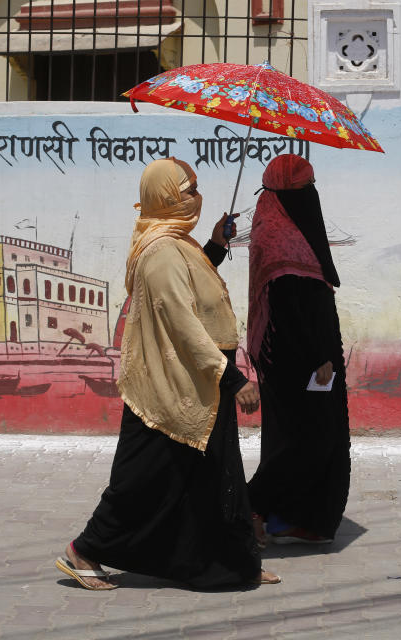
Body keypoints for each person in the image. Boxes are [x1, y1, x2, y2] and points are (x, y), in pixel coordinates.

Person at [55, 158, 279, 590]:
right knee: (143, 481)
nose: (198, 197)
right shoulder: (160, 250)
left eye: (196, 188)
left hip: (195, 382)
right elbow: (181, 320)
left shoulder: (179, 243)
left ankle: (236, 562)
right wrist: (231, 379)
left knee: (215, 476)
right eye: (189, 190)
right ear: (169, 198)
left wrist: (215, 245)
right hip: (170, 387)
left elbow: (191, 286)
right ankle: (83, 551)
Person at [245, 154, 350, 545]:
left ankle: (295, 517)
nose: (312, 194)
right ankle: (249, 505)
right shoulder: (279, 233)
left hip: (307, 356)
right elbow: (291, 307)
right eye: (305, 186)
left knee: (302, 436)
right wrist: (317, 357)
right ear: (290, 191)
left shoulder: (284, 223)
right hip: (298, 360)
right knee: (309, 440)